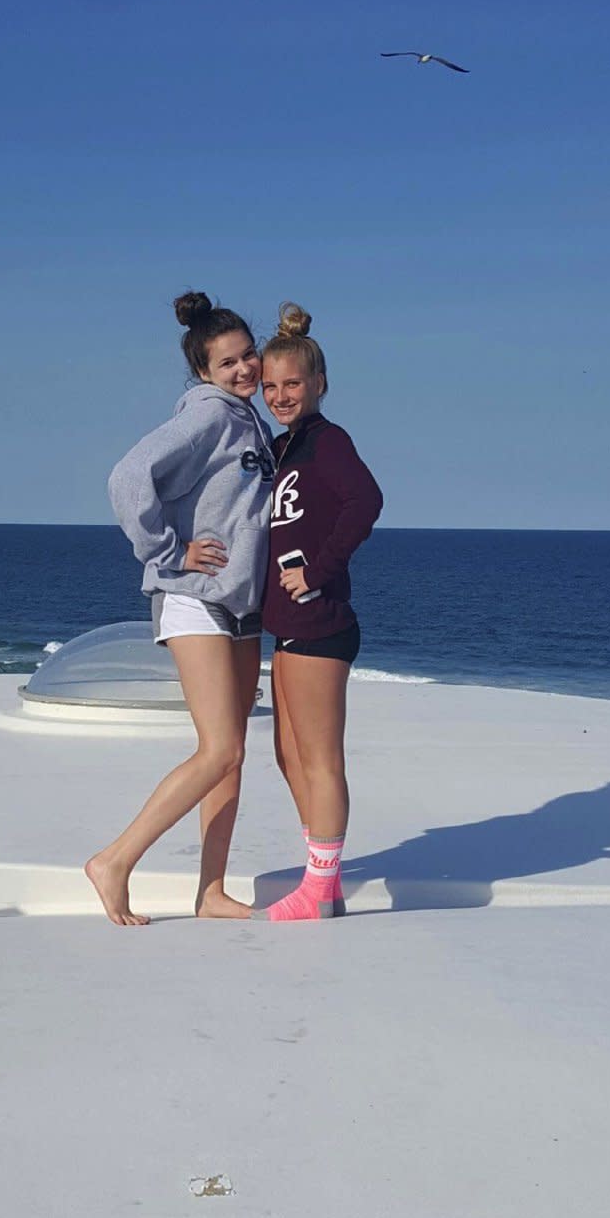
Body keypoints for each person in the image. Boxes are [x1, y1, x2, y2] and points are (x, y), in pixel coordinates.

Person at [85, 292, 274, 925]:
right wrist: (169, 551)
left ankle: (210, 891)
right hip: (195, 598)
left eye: (249, 356)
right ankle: (114, 860)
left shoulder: (251, 422)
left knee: (232, 754)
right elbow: (128, 476)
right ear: (202, 372)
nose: (244, 370)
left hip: (240, 607)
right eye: (228, 364)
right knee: (219, 749)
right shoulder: (209, 418)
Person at [258, 303, 383, 922]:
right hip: (289, 625)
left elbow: (367, 500)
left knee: (320, 758)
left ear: (318, 384)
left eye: (292, 384)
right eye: (271, 385)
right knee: (288, 753)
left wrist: (319, 571)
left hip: (321, 619)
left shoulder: (327, 441)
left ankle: (320, 888)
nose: (280, 395)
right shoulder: (286, 446)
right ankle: (321, 875)